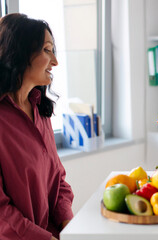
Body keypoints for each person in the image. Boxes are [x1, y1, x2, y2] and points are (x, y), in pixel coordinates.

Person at [0, 13, 74, 240]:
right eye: (47, 50)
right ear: (20, 54)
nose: (55, 61)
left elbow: (57, 179)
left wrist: (69, 226)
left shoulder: (40, 110)